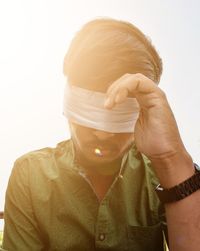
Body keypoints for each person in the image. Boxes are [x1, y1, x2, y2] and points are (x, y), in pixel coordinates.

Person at [2, 18, 200, 251]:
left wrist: (171, 158)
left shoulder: (161, 176)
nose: (103, 134)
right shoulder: (30, 174)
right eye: (90, 111)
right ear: (68, 101)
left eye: (119, 117)